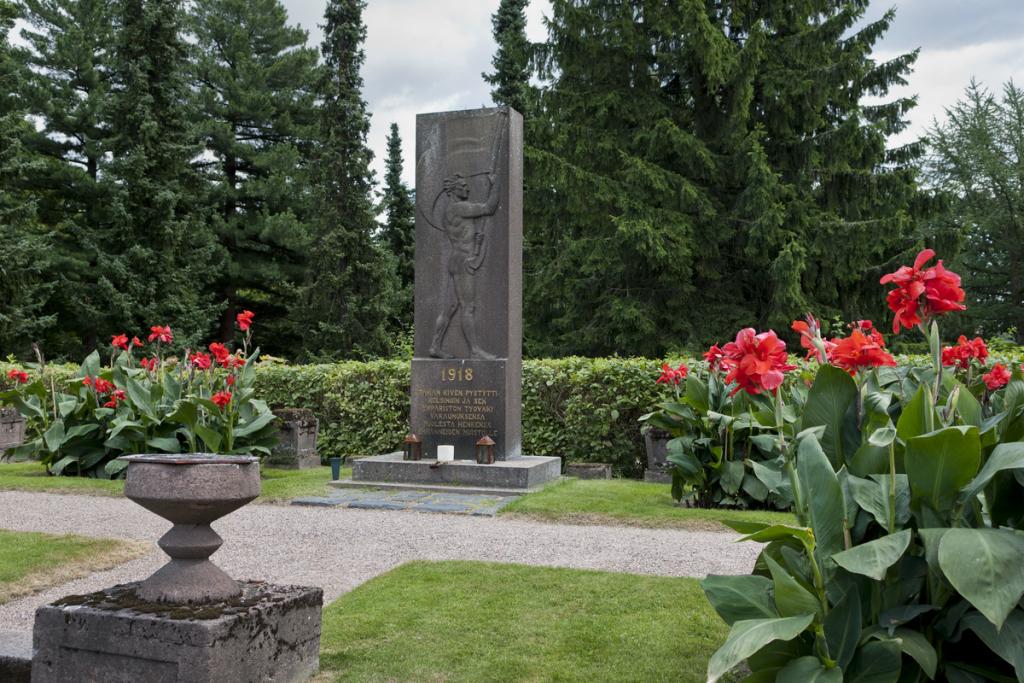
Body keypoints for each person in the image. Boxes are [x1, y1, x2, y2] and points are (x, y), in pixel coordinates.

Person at [428, 171, 500, 359]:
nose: (467, 187)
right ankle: (475, 350)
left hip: (457, 260)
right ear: (453, 190)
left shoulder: (452, 210)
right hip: (464, 263)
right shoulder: (459, 208)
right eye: (463, 185)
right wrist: (495, 184)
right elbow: (489, 208)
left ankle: (435, 347)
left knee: (449, 308)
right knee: (468, 307)